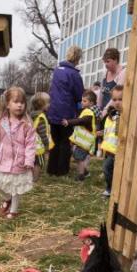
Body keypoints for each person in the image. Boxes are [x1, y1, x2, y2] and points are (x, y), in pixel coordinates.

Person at [0, 86, 36, 219]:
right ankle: (7, 198)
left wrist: (29, 160)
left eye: (22, 102)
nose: (20, 105)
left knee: (16, 186)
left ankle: (14, 210)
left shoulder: (26, 123)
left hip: (19, 160)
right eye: (16, 102)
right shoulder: (0, 120)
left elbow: (31, 144)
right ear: (8, 104)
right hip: (3, 158)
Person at [46, 45, 85, 176]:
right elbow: (79, 94)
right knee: (64, 142)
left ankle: (51, 168)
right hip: (66, 114)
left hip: (53, 111)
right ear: (78, 58)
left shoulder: (57, 70)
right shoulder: (74, 75)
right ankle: (62, 170)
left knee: (55, 141)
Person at [64, 90, 98, 182]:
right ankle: (85, 172)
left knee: (79, 158)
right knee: (78, 157)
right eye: (82, 100)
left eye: (84, 101)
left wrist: (68, 122)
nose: (82, 102)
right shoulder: (86, 111)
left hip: (85, 143)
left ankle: (81, 176)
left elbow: (81, 121)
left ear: (91, 103)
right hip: (82, 142)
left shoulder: (89, 113)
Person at [100, 85, 124, 197]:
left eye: (120, 99)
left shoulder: (125, 115)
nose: (117, 102)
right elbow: (110, 130)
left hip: (117, 150)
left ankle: (110, 189)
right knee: (109, 169)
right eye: (114, 100)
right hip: (109, 149)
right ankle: (111, 188)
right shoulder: (112, 114)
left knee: (106, 168)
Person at [30, 92, 53, 181]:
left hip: (30, 144)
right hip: (38, 147)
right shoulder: (41, 117)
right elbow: (43, 133)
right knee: (38, 163)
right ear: (41, 105)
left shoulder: (31, 115)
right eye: (48, 103)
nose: (49, 105)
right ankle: (34, 179)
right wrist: (47, 144)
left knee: (32, 162)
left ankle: (30, 177)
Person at [99, 48, 126, 112]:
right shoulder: (105, 73)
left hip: (113, 111)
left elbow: (117, 95)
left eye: (108, 61)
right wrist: (99, 108)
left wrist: (105, 111)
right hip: (103, 111)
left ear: (116, 60)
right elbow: (101, 94)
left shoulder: (122, 73)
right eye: (104, 62)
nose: (105, 64)